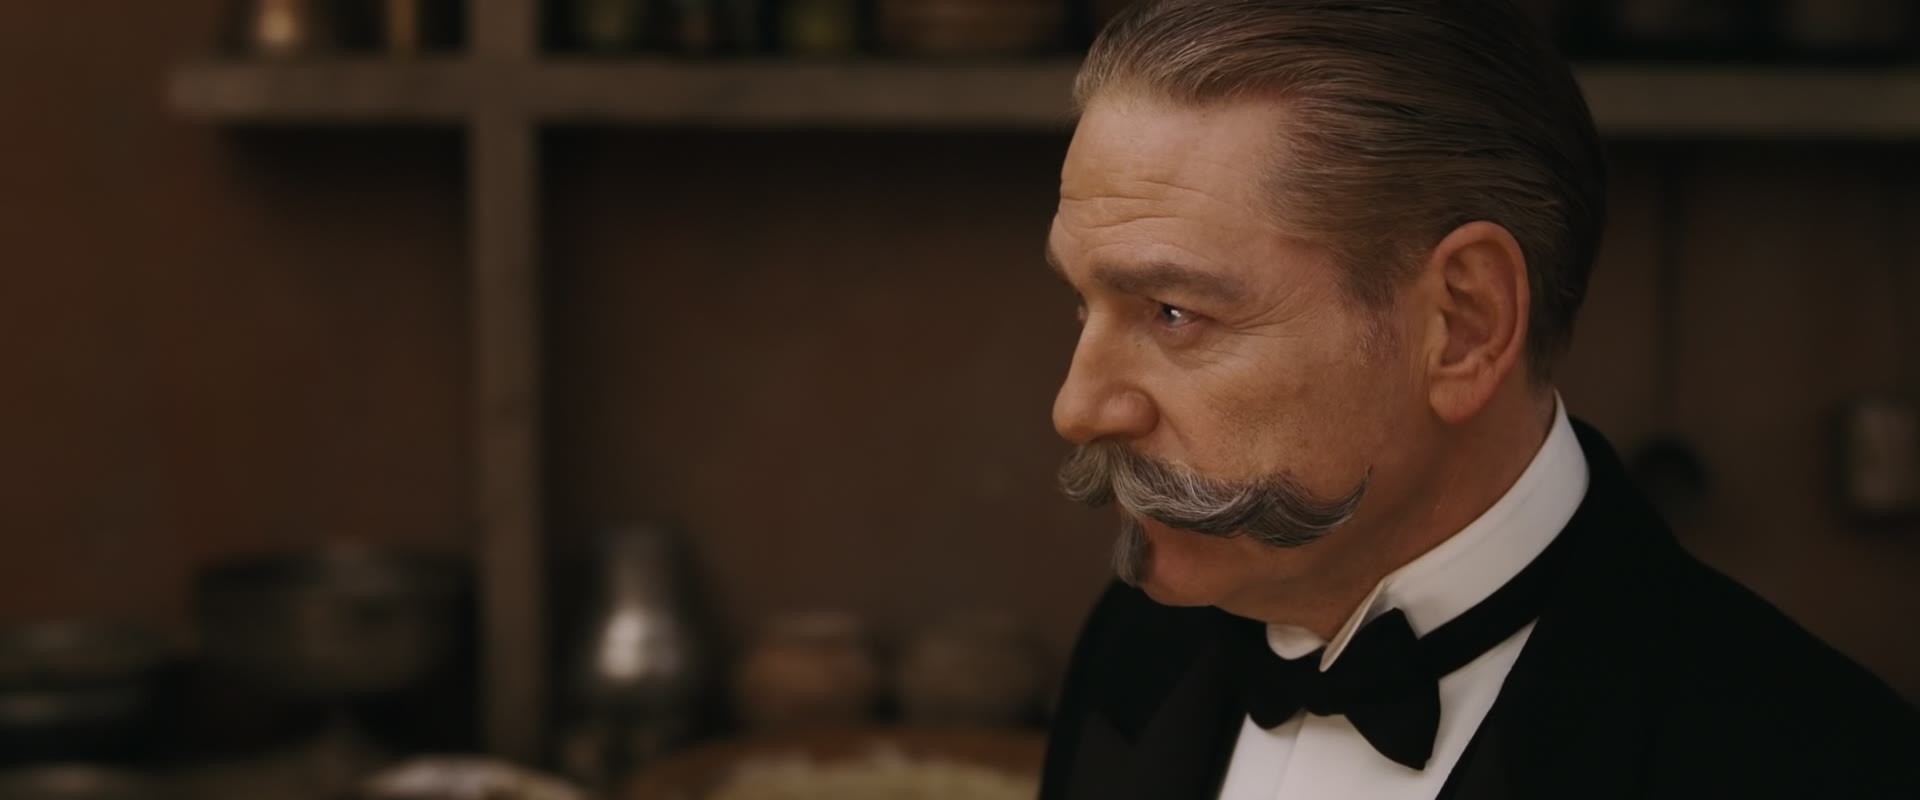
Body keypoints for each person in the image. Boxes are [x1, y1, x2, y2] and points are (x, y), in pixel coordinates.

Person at [1037, 1, 1919, 798]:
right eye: (1085, 302)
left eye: (1174, 312)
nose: (1077, 408)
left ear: (1464, 325)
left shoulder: (1820, 765)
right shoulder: (1139, 646)